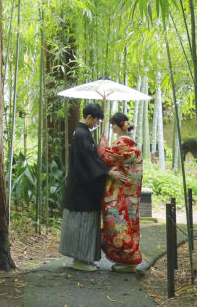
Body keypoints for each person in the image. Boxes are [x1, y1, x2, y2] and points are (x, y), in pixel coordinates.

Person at [59, 103, 124, 271]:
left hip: (81, 185)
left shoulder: (81, 132)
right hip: (83, 189)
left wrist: (100, 148)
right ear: (89, 117)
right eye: (96, 121)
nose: (97, 124)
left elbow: (91, 157)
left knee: (83, 222)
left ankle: (84, 259)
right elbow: (90, 161)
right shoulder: (82, 134)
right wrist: (109, 172)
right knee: (83, 223)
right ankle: (80, 260)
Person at [98, 111, 143, 271]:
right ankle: (129, 260)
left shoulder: (121, 143)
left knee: (119, 224)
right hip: (131, 192)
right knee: (130, 224)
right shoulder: (131, 142)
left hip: (123, 193)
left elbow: (109, 158)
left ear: (119, 126)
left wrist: (102, 147)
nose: (112, 128)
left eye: (113, 126)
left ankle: (128, 260)